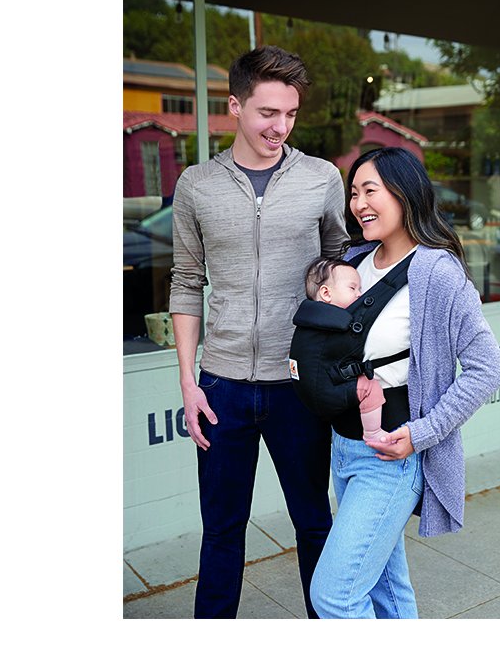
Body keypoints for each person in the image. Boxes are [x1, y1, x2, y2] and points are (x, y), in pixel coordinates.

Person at [169, 45, 347, 619]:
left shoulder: (321, 178)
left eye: (290, 114)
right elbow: (186, 282)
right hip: (221, 387)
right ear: (235, 106)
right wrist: (189, 383)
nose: (280, 126)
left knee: (314, 523)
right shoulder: (197, 185)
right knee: (221, 531)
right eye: (268, 112)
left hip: (299, 383)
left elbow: (343, 267)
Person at [309, 147, 500, 619]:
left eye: (370, 191)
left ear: (404, 192)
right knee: (386, 590)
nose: (358, 204)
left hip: (391, 457)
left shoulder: (438, 273)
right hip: (344, 448)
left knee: (334, 596)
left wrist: (421, 434)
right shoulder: (353, 261)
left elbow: (487, 368)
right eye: (353, 193)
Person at [303, 256, 388, 442]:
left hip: (313, 392)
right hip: (329, 389)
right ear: (326, 293)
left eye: (360, 289)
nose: (359, 295)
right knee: (371, 388)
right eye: (352, 288)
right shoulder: (337, 322)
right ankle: (373, 432)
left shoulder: (307, 318)